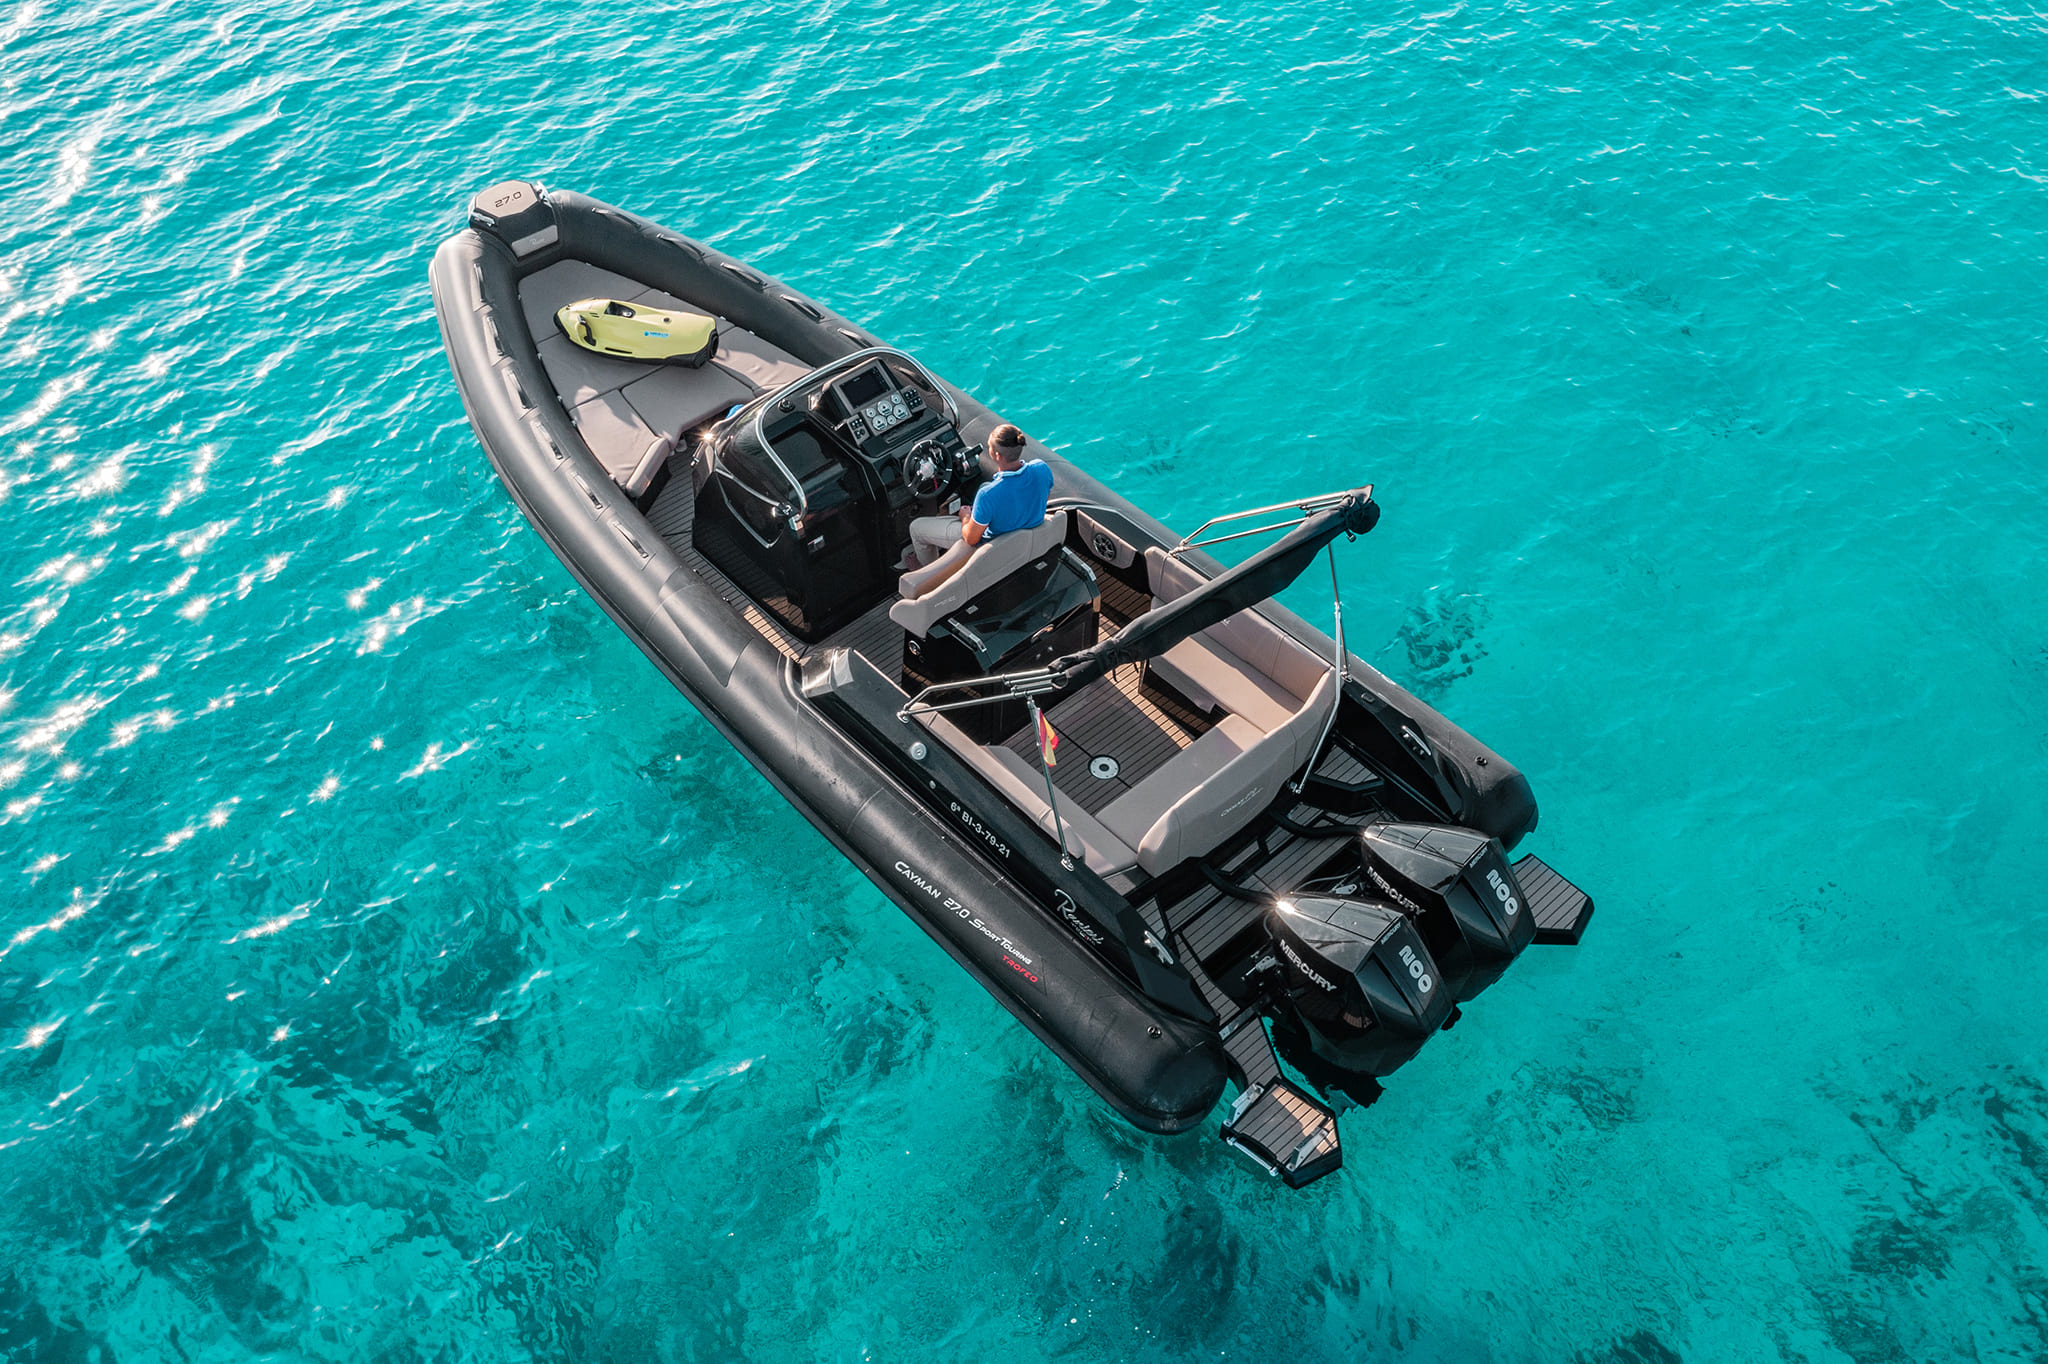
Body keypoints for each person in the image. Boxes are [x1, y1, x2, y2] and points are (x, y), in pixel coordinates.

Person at [902, 424, 1053, 598]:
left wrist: (966, 517)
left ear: (997, 455)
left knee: (916, 527)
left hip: (988, 544)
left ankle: (930, 578)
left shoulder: (988, 495)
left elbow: (971, 538)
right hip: (1022, 532)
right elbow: (1043, 498)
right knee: (983, 484)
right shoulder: (1041, 468)